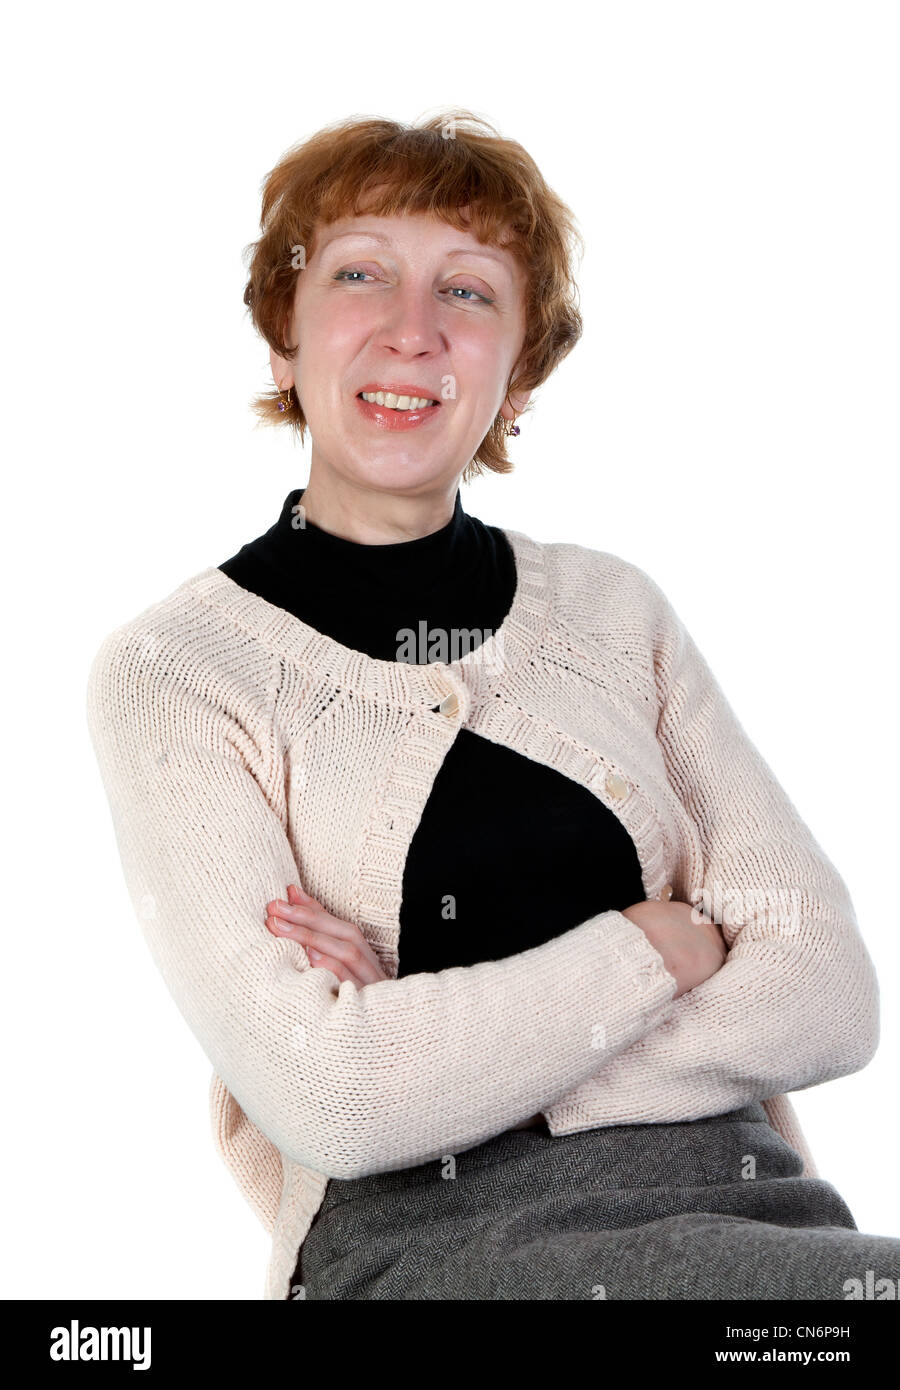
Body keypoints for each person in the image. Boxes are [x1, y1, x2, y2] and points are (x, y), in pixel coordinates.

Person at [86, 111, 900, 1300]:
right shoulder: (179, 673)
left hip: (758, 1211)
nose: (412, 331)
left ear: (518, 372)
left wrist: (434, 1032)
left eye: (467, 293)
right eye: (359, 273)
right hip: (439, 1249)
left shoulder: (615, 614)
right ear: (282, 337)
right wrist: (653, 948)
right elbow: (336, 1099)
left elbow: (828, 990)